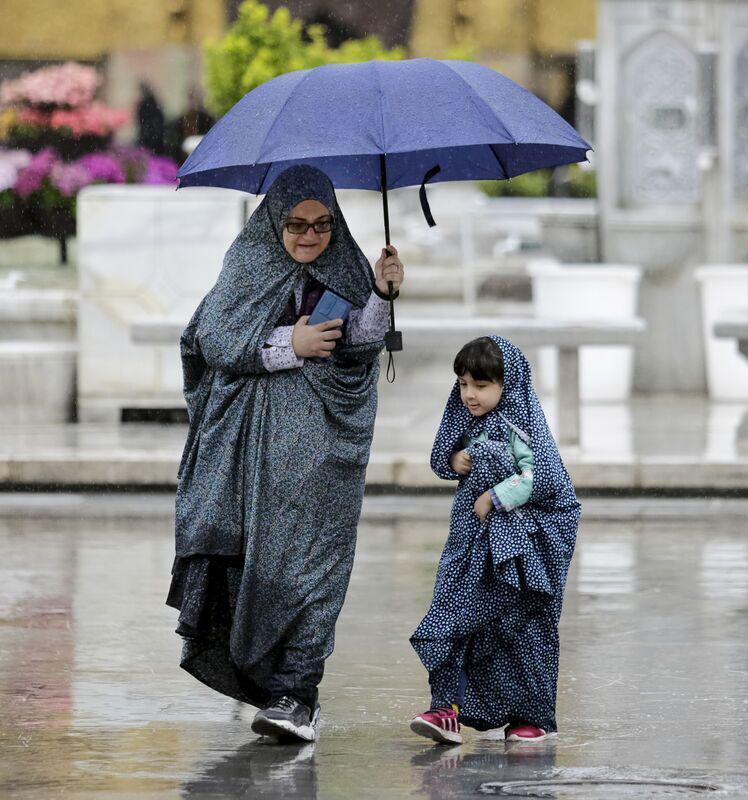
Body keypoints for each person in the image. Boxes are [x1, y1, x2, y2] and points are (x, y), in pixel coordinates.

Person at [166, 164, 405, 742]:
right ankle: (274, 688)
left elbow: (363, 345)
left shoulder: (346, 264)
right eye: (296, 223)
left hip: (325, 454)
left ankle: (299, 693)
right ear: (275, 221)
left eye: (323, 223)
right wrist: (286, 344)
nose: (309, 236)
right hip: (251, 462)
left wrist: (380, 292)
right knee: (260, 568)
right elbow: (212, 337)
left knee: (314, 568)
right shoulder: (247, 265)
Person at [409, 335, 581, 745]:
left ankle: (530, 714)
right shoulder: (469, 425)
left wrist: (496, 496)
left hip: (515, 552)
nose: (470, 394)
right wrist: (455, 459)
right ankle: (445, 707)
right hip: (470, 545)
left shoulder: (520, 427)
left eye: (481, 385)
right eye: (464, 384)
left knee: (519, 627)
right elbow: (447, 458)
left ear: (509, 384)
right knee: (452, 615)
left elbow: (544, 477)